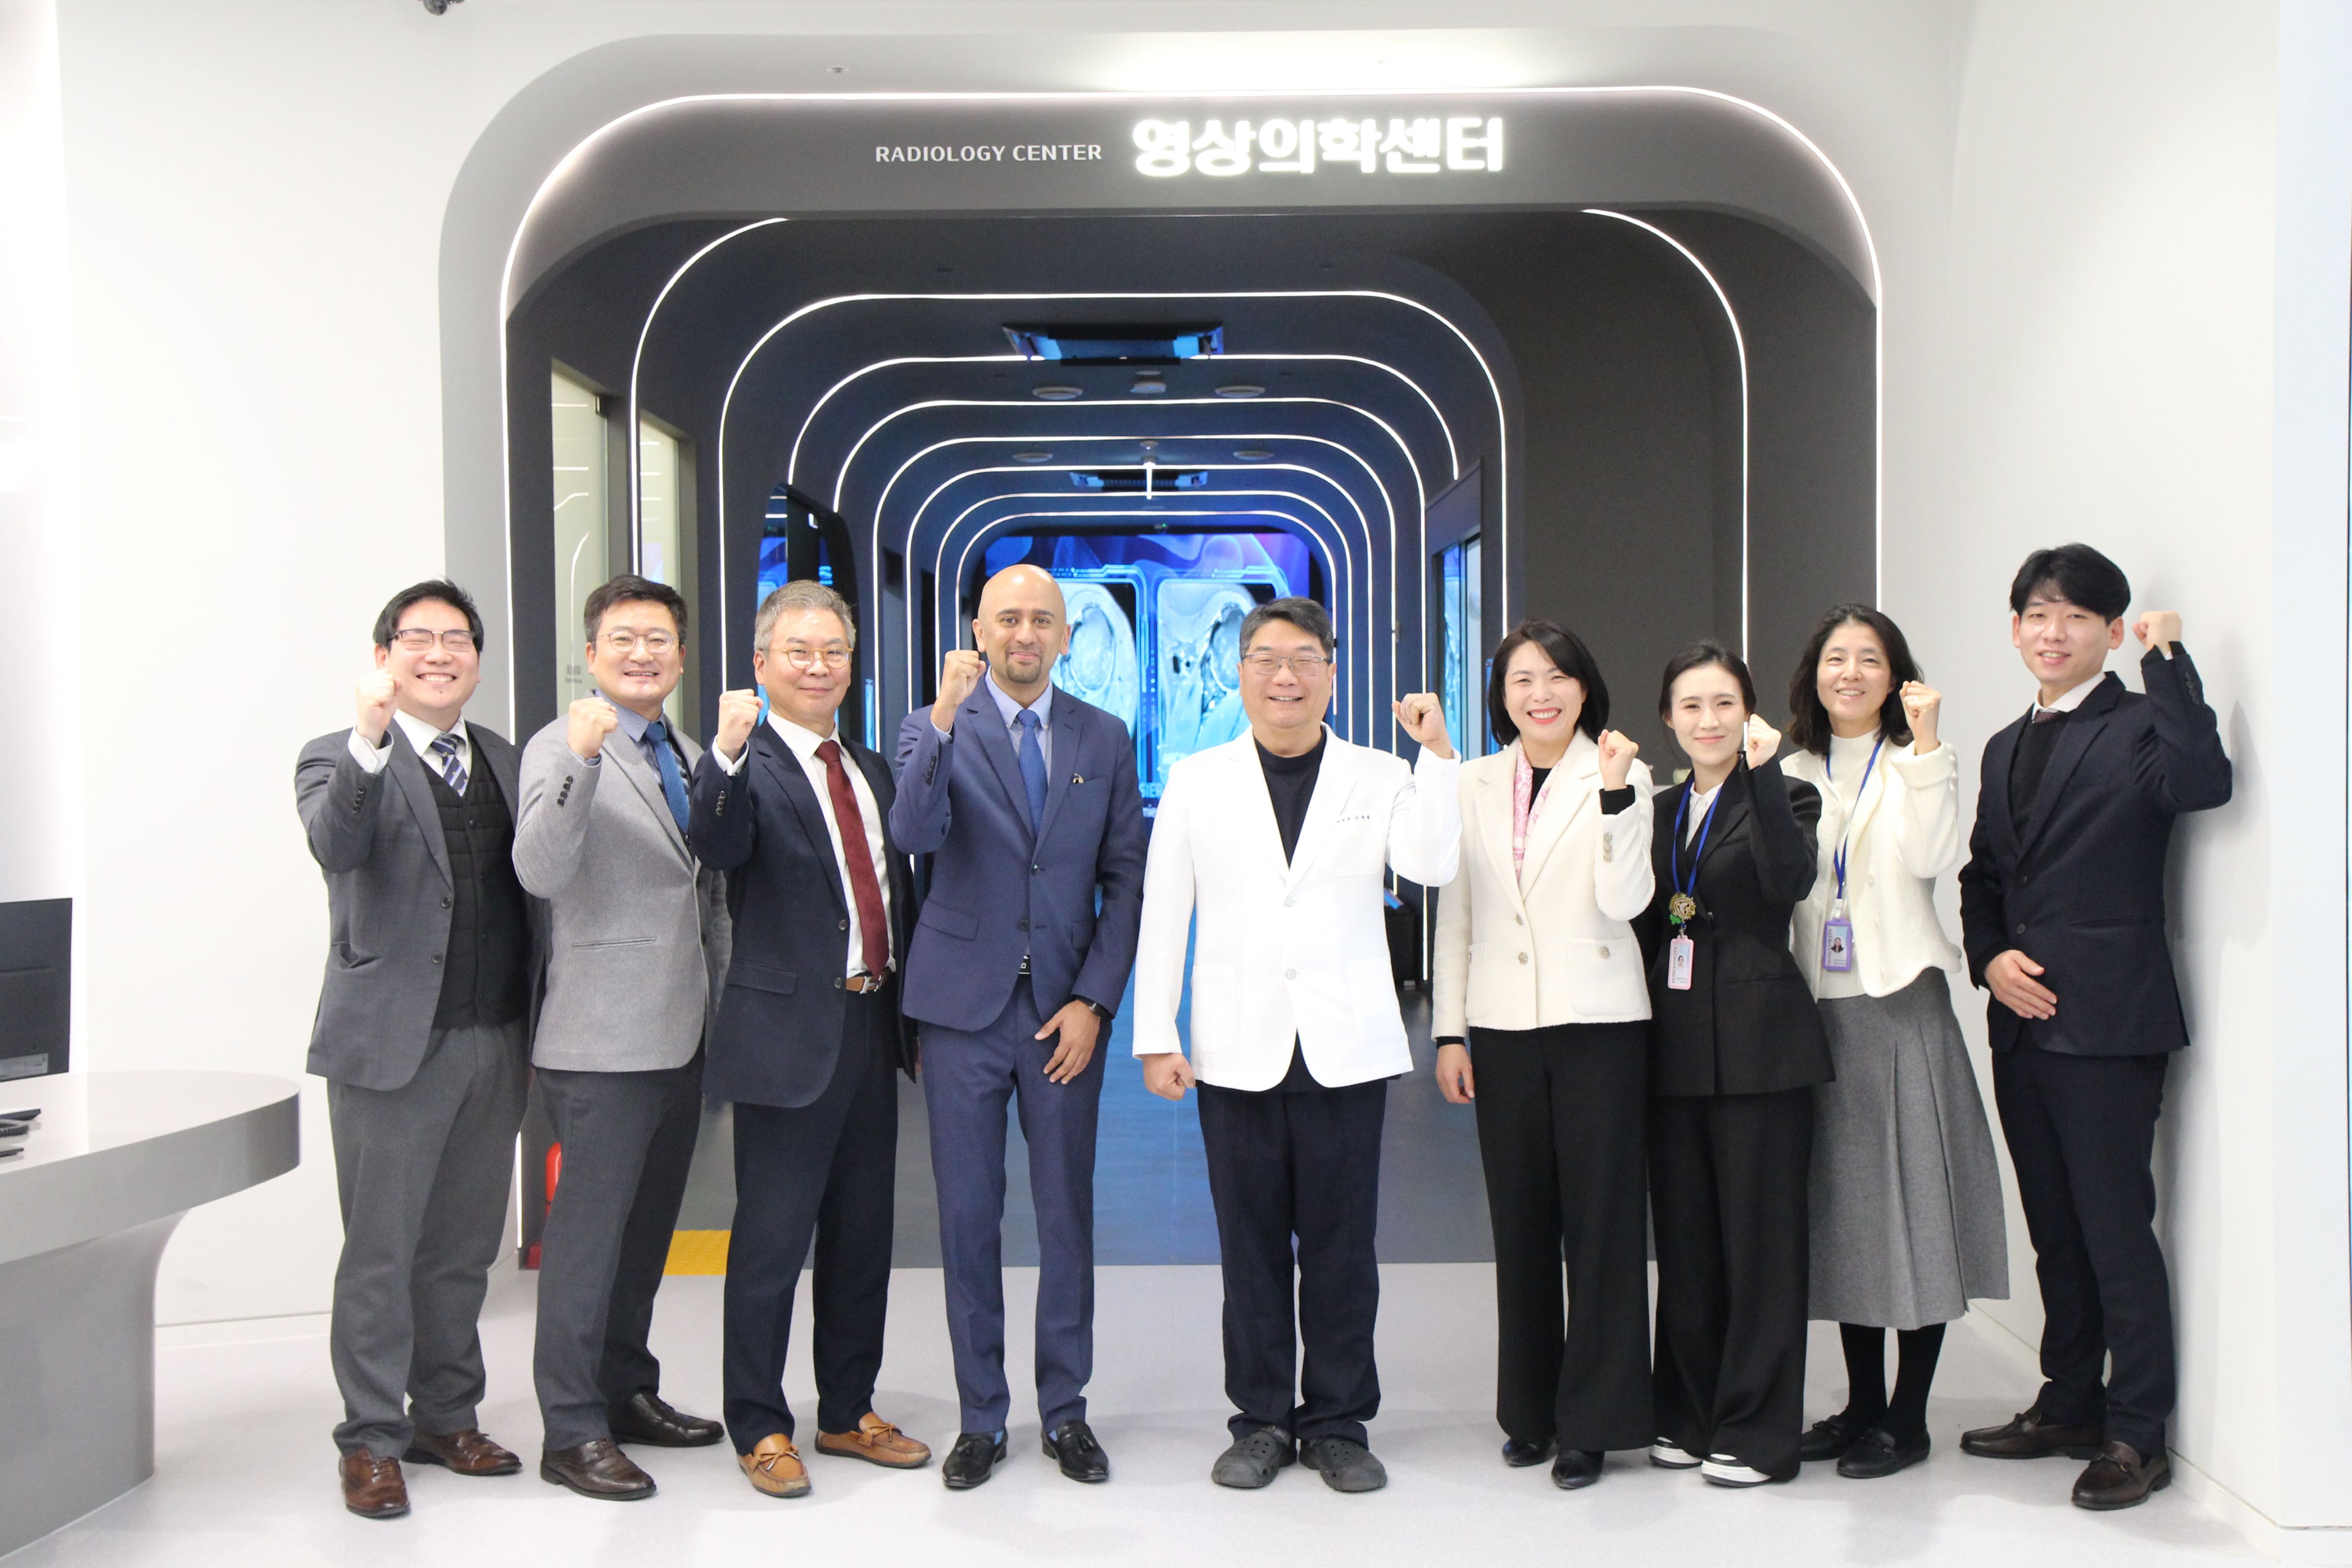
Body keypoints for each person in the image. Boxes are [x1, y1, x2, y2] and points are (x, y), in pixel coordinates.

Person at [1132, 597, 1460, 1495]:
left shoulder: (1378, 774)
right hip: (1235, 1046)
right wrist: (1155, 1032)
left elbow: (1431, 865)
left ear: (1330, 674)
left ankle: (1339, 1423)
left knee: (1342, 1250)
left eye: (1305, 660)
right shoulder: (1196, 779)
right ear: (1240, 674)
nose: (1286, 677)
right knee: (1249, 1250)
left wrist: (1435, 756)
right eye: (1268, 660)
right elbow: (1166, 909)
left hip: (1344, 1047)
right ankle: (1262, 1421)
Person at [1955, 545, 2230, 1511]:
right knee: (2055, 1234)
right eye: (2037, 614)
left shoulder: (2142, 721)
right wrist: (1989, 958)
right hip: (2021, 1026)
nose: (2052, 631)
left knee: (2115, 1232)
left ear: (2111, 633)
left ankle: (2135, 1433)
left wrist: (2169, 661)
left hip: (2110, 1022)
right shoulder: (2002, 744)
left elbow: (2201, 784)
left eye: (2075, 616)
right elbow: (1984, 876)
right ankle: (2069, 1401)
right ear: (2015, 629)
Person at [890, 565, 1147, 1490]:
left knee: (1065, 1215)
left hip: (1062, 1017)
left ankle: (1065, 1410)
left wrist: (1095, 1002)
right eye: (1007, 619)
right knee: (967, 1219)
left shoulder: (1103, 735)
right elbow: (913, 832)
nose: (1024, 633)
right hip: (961, 1012)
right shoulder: (931, 725)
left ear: (1066, 636)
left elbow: (1126, 879)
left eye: (1042, 619)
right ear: (979, 631)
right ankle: (981, 1417)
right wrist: (944, 718)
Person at [294, 581, 538, 1521]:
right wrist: (370, 736)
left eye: (457, 639)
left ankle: (445, 1416)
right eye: (418, 638)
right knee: (381, 1254)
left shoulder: (506, 758)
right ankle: (369, 1437)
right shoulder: (337, 755)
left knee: (464, 1250)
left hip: (496, 1037)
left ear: (477, 657)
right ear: (384, 656)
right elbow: (337, 845)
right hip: (393, 1047)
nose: (439, 654)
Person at [688, 580, 932, 1499]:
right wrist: (722, 752)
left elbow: (894, 890)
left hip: (871, 1024)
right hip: (786, 1038)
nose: (819, 666)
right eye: (799, 651)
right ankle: (758, 1424)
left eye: (834, 650)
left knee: (862, 1238)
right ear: (762, 664)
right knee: (770, 1243)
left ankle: (846, 1410)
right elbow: (716, 845)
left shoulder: (866, 766)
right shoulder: (743, 765)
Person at [512, 574, 730, 1501]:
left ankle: (625, 1390)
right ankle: (570, 1429)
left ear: (680, 655)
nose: (643, 654)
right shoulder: (560, 747)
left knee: (644, 1239)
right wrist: (582, 758)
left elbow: (705, 892)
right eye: (624, 639)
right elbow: (539, 868)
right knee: (586, 1247)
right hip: (600, 1042)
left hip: (681, 1032)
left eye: (659, 640)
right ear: (592, 654)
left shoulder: (690, 751)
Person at [1779, 606, 2008, 1480]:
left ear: (1896, 676)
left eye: (1868, 659)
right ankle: (1861, 1407)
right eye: (1835, 657)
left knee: (1915, 1213)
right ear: (1813, 674)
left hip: (1901, 1009)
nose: (1849, 673)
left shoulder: (1919, 761)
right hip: (1817, 1014)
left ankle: (1906, 1419)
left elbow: (1929, 856)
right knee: (1847, 1215)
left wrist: (1927, 745)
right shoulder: (1788, 768)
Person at [1429, 620, 1654, 1490]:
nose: (1540, 693)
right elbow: (1457, 914)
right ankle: (1528, 1411)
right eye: (1522, 679)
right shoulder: (1474, 782)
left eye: (1558, 676)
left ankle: (1594, 1422)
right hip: (1502, 1027)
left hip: (1598, 1026)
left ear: (1584, 688)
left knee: (1600, 1229)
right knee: (1520, 1226)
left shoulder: (1621, 772)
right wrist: (1450, 1030)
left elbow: (1626, 898)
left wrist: (1614, 799)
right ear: (1502, 695)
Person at [1634, 641, 1828, 1488]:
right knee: (1686, 1247)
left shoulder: (1785, 792)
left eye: (1723, 704)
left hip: (1762, 1049)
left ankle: (1756, 1432)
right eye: (1690, 706)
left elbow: (1787, 882)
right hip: (1672, 1046)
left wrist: (1762, 773)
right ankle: (1686, 1413)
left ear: (1748, 714)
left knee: (1762, 1250)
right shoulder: (1657, 808)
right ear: (1667, 719)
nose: (1707, 720)